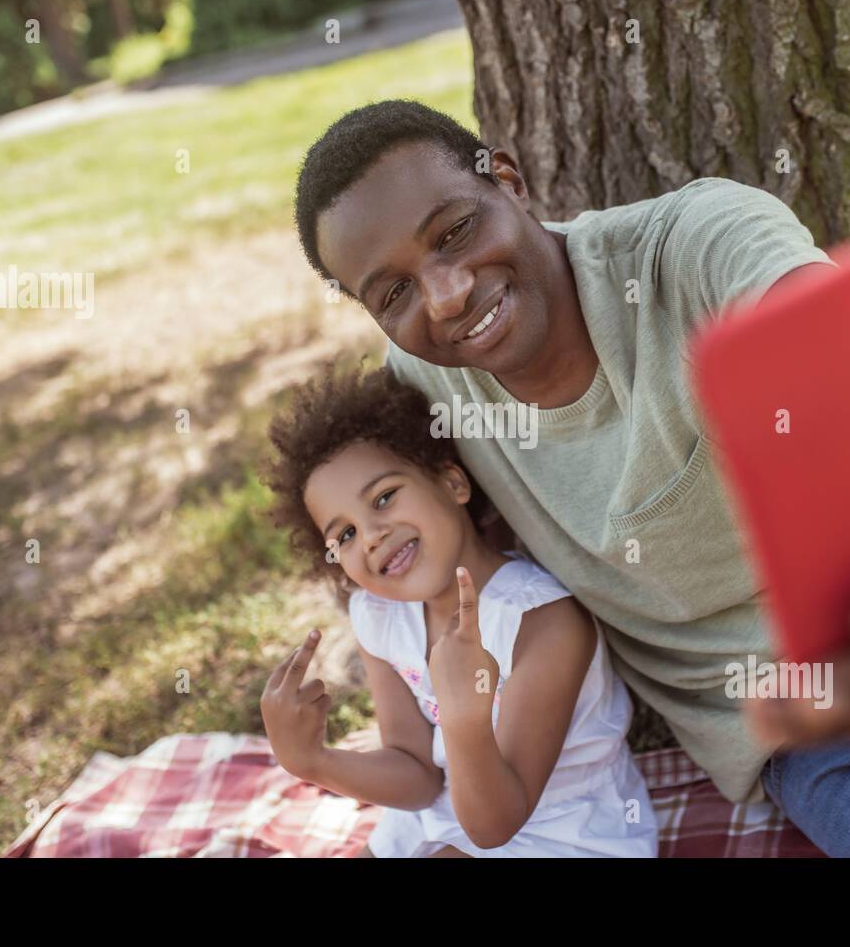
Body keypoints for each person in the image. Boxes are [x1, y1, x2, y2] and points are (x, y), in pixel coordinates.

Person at [285, 98, 850, 856]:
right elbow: (371, 530)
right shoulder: (423, 395)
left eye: (456, 231)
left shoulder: (691, 244)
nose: (444, 294)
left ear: (507, 178)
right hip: (815, 740)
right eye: (391, 291)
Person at [260, 366, 659, 857]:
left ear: (452, 483)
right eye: (344, 535)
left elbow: (496, 824)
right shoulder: (381, 616)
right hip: (447, 811)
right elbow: (419, 777)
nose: (371, 535)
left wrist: (462, 715)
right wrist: (313, 761)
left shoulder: (543, 625)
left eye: (384, 497)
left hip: (561, 827)